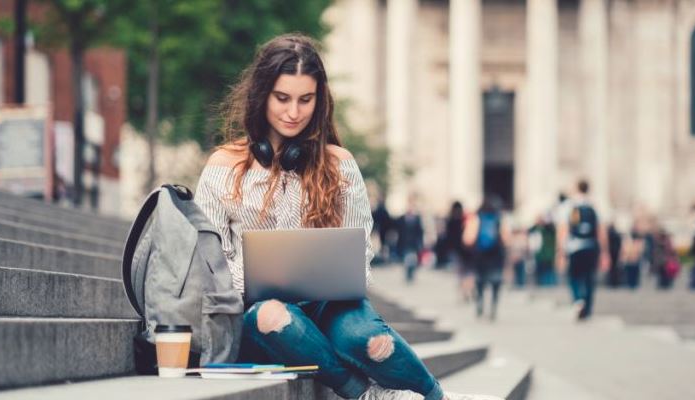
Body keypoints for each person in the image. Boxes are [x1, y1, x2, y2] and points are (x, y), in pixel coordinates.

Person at [193, 34, 495, 400]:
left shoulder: (340, 165)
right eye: (282, 98)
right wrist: (260, 279)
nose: (293, 113)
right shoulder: (224, 166)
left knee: (370, 341)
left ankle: (437, 398)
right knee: (275, 315)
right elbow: (208, 264)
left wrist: (337, 278)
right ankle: (365, 394)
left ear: (320, 101)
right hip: (256, 313)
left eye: (305, 100)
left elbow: (359, 253)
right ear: (262, 96)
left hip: (330, 305)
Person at [556, 180, 610, 320]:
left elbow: (563, 231)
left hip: (574, 247)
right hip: (591, 246)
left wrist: (560, 252)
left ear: (575, 189)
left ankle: (578, 300)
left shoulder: (568, 206)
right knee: (589, 277)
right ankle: (588, 307)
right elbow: (601, 231)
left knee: (574, 276)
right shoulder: (596, 205)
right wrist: (605, 252)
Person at [463, 196, 511, 320]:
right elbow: (506, 239)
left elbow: (468, 239)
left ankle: (480, 305)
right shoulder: (500, 218)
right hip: (496, 256)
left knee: (480, 282)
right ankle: (493, 308)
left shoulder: (476, 218)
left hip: (480, 256)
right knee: (496, 282)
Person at [397, 196, 426, 284]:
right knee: (406, 259)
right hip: (404, 242)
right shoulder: (402, 218)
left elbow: (420, 231)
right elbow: (399, 230)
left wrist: (420, 243)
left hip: (414, 243)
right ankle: (408, 274)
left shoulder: (417, 218)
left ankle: (411, 273)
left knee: (413, 259)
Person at [530, 213, 558, 286]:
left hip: (548, 255)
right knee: (541, 273)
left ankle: (549, 285)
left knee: (548, 273)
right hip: (540, 255)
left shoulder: (549, 229)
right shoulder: (536, 230)